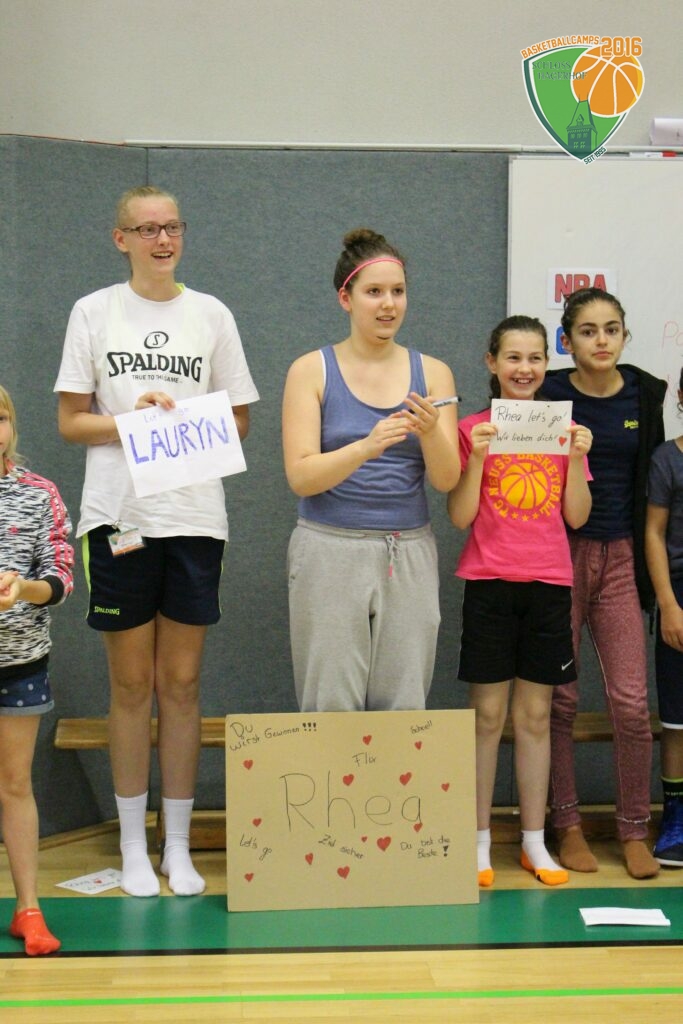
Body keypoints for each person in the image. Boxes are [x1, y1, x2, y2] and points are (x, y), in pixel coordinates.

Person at [54, 185, 259, 898]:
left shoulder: (211, 314)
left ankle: (176, 844)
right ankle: (132, 845)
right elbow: (71, 422)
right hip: (120, 518)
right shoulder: (93, 311)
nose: (162, 239)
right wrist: (132, 420)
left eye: (171, 226)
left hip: (194, 518)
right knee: (131, 684)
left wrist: (182, 419)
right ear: (121, 239)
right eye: (146, 229)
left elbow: (239, 420)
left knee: (181, 684)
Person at [282, 228, 460, 712]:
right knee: (331, 703)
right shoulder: (311, 370)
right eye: (374, 292)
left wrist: (431, 432)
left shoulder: (434, 372)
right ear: (346, 298)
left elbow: (447, 480)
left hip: (409, 549)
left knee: (404, 704)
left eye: (398, 292)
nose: (388, 304)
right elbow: (301, 476)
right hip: (329, 548)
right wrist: (366, 447)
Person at [447, 315, 592, 887]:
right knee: (486, 716)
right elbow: (460, 515)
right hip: (488, 583)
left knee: (534, 717)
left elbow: (576, 516)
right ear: (492, 363)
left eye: (535, 358)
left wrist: (576, 458)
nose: (524, 369)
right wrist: (477, 460)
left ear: (546, 365)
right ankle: (478, 841)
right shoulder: (472, 429)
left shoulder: (565, 430)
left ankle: (534, 841)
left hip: (549, 584)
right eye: (513, 357)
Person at [543, 287, 665, 880]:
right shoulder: (547, 394)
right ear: (567, 341)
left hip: (621, 557)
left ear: (624, 335)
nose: (601, 340)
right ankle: (565, 823)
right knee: (560, 700)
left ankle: (635, 827)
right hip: (559, 555)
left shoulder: (646, 393)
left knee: (632, 703)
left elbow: (654, 482)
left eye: (611, 329)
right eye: (588, 331)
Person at [0, 384, 74, 954]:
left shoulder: (39, 493)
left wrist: (23, 589)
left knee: (15, 783)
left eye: (0, 417)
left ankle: (29, 908)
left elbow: (62, 576)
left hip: (21, 663)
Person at [645, 367, 683, 866]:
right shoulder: (666, 459)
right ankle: (675, 814)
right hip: (679, 598)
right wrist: (669, 604)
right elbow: (653, 533)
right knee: (677, 719)